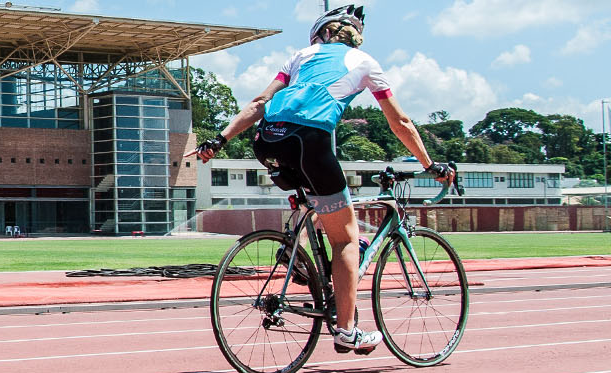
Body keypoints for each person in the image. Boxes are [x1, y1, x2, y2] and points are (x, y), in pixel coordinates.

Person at [186, 5, 455, 354]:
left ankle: (299, 257)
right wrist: (430, 165)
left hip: (267, 141)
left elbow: (258, 102)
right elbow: (399, 123)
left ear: (322, 33)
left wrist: (218, 140)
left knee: (315, 201)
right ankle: (347, 330)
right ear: (353, 37)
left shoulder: (299, 57)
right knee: (345, 238)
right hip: (310, 144)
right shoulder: (366, 63)